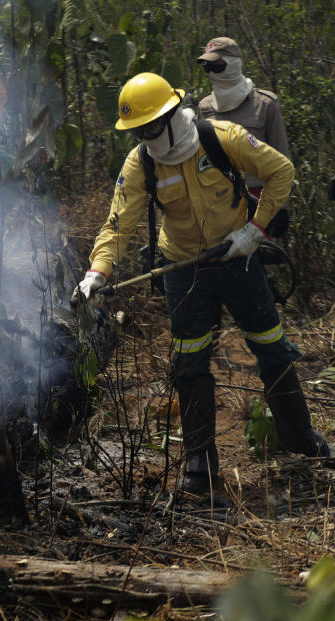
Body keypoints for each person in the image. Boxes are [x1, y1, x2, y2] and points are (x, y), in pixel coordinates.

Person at [73, 72, 331, 494]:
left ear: (173, 115)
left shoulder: (221, 137)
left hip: (238, 259)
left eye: (150, 127)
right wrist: (96, 273)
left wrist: (254, 232)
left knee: (271, 346)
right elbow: (118, 225)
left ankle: (299, 436)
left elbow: (281, 171)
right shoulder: (142, 163)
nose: (145, 137)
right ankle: (199, 462)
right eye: (137, 131)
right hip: (183, 269)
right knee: (189, 361)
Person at [197, 37, 290, 196]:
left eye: (216, 65)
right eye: (208, 67)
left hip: (260, 196)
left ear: (233, 63)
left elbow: (282, 160)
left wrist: (278, 208)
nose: (211, 72)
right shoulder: (205, 107)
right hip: (219, 198)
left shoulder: (266, 104)